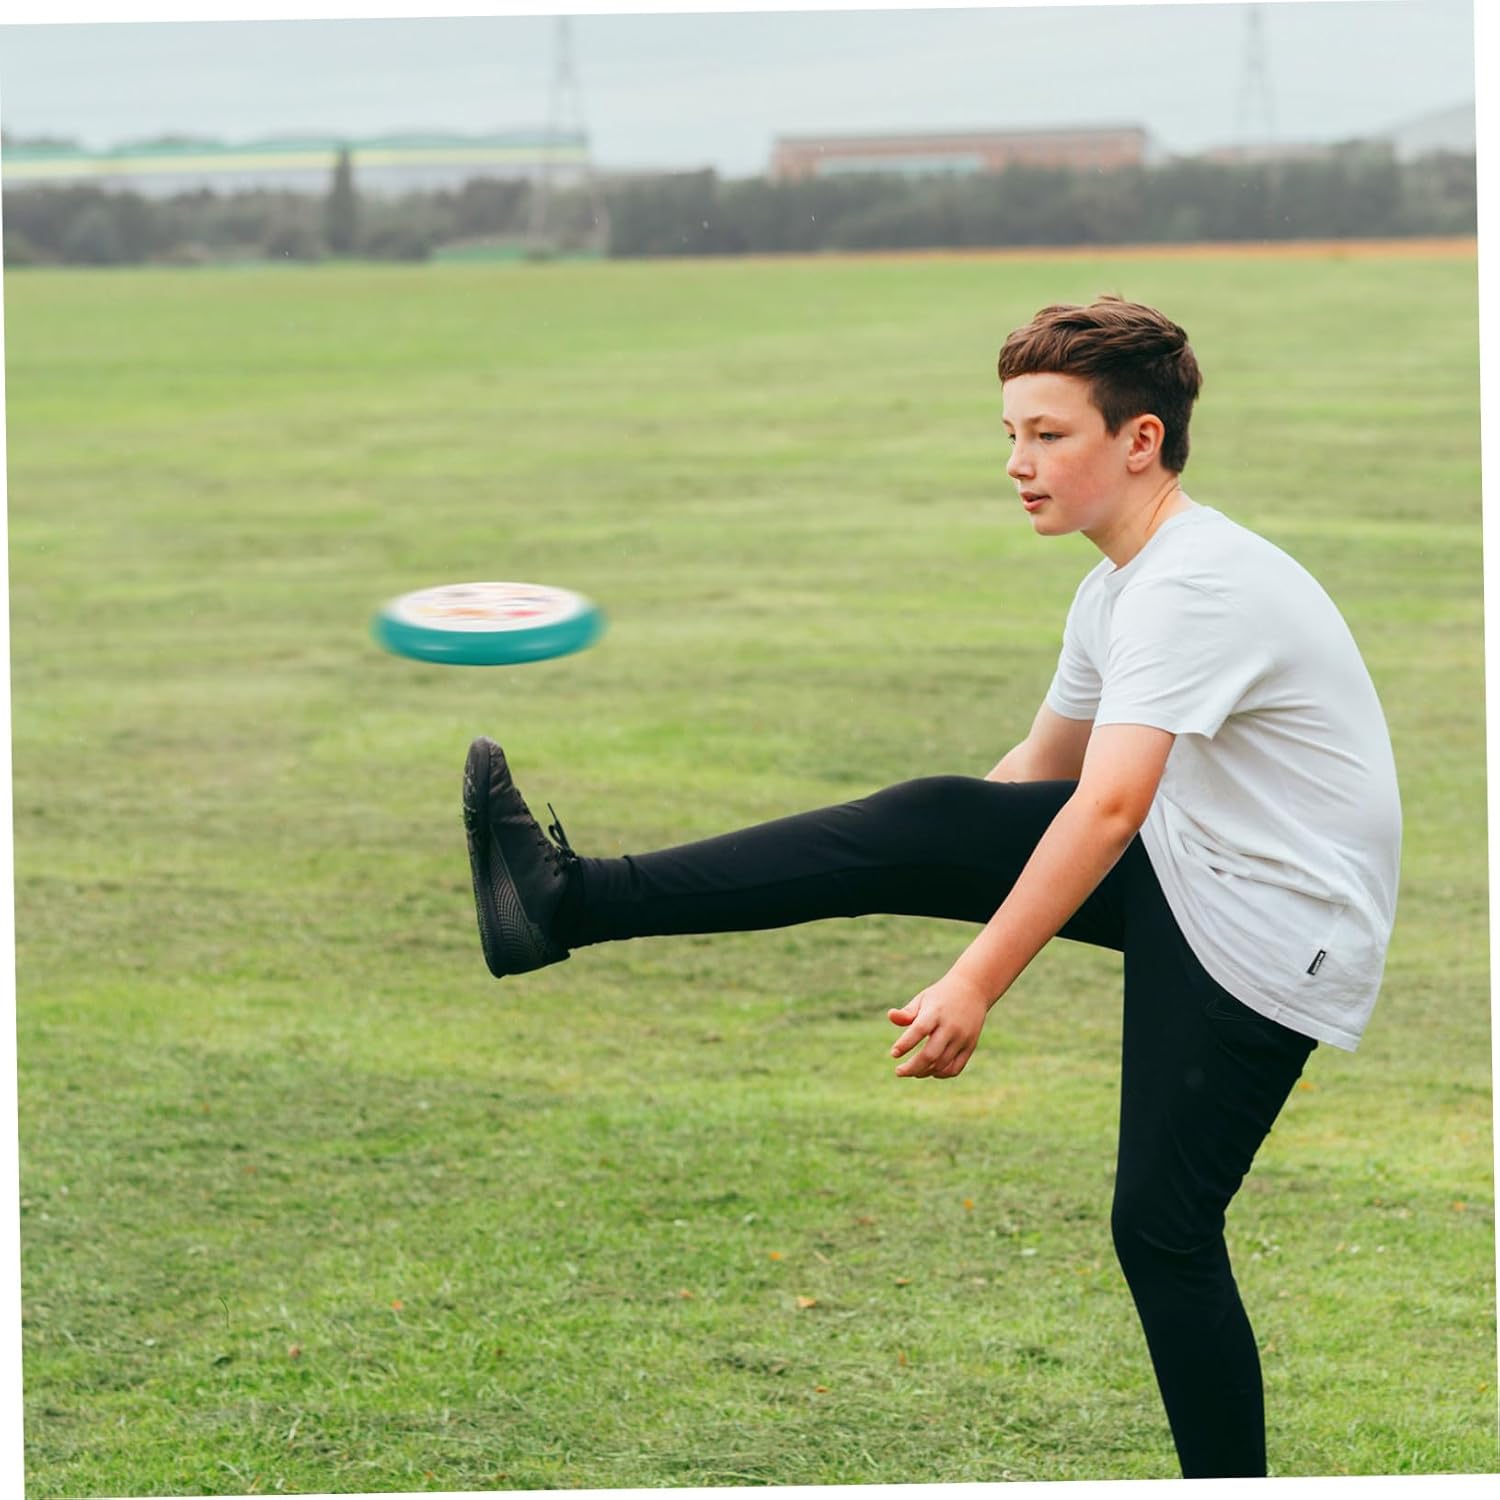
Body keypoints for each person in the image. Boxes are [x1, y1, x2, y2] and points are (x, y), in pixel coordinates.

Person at [459, 295, 1402, 1480]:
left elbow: (1108, 809)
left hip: (1274, 929)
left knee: (1162, 1231)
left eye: (1049, 434)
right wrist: (922, 856)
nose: (1017, 463)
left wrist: (974, 981)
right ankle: (566, 902)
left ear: (1141, 440)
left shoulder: (1190, 588)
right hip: (1200, 864)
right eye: (1011, 434)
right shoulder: (1120, 589)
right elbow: (1031, 782)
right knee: (927, 817)